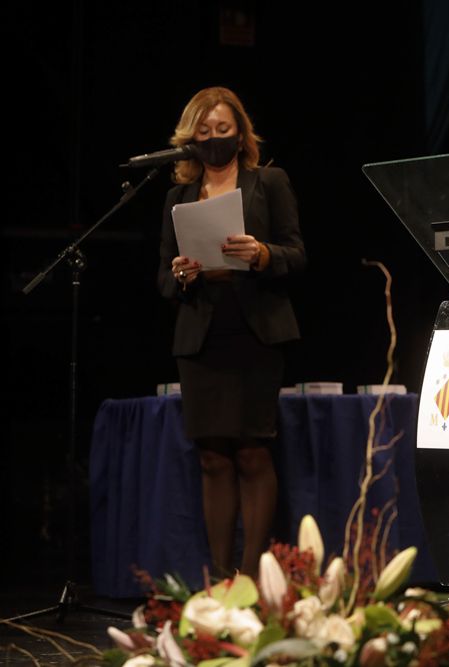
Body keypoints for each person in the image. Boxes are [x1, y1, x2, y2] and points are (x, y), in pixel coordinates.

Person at [158, 86, 306, 579]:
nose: (215, 139)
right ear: (189, 139)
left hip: (254, 333)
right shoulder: (178, 197)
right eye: (204, 132)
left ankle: (250, 580)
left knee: (250, 450)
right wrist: (181, 275)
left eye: (223, 130)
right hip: (201, 337)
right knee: (212, 458)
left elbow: (296, 253)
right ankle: (219, 580)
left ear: (240, 134)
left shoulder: (269, 182)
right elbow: (162, 278)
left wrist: (261, 254)